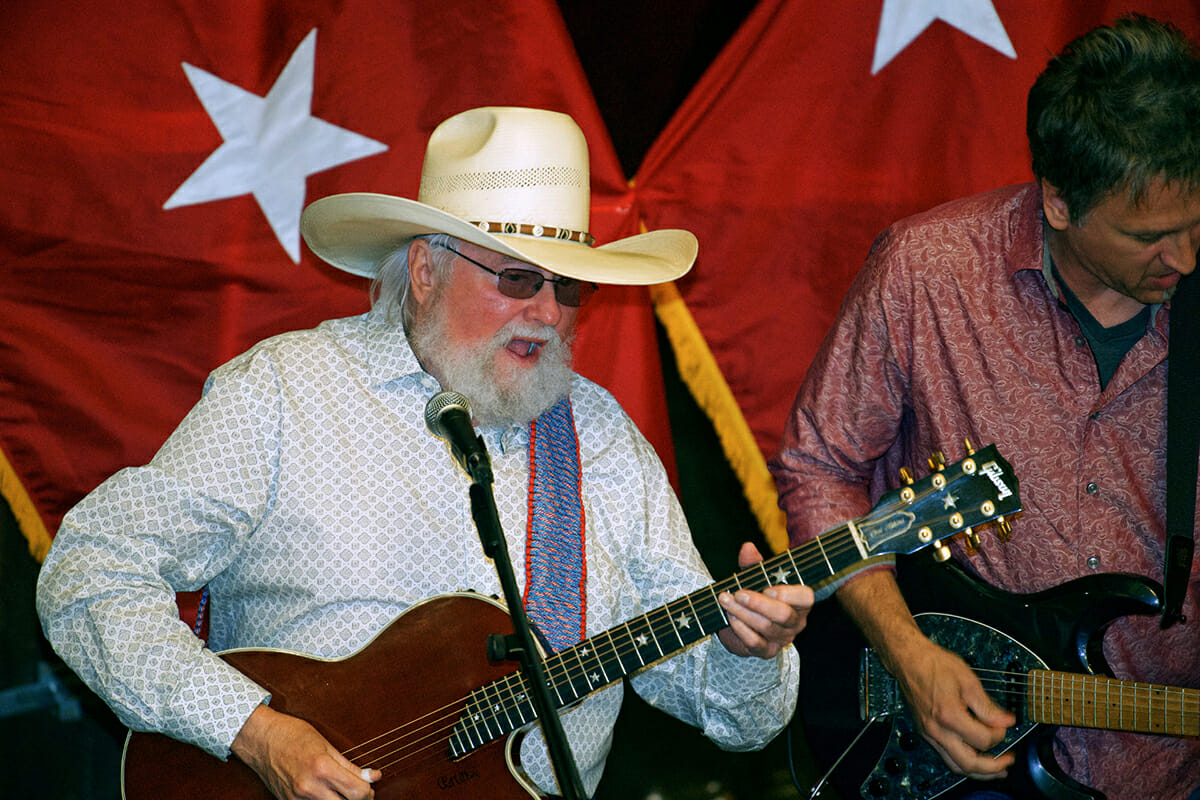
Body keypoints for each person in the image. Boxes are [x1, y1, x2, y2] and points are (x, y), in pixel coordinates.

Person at [36, 106, 812, 800]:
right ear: (424, 269)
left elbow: (738, 721)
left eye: (568, 286)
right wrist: (257, 731)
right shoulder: (286, 390)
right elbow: (90, 571)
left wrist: (751, 650)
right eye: (516, 277)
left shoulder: (601, 439)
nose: (547, 311)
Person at [770, 15, 1200, 800]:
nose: (1186, 258)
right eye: (1152, 236)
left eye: (1198, 224)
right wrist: (906, 649)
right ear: (1060, 203)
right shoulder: (927, 272)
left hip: (1168, 766)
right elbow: (820, 467)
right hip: (948, 769)